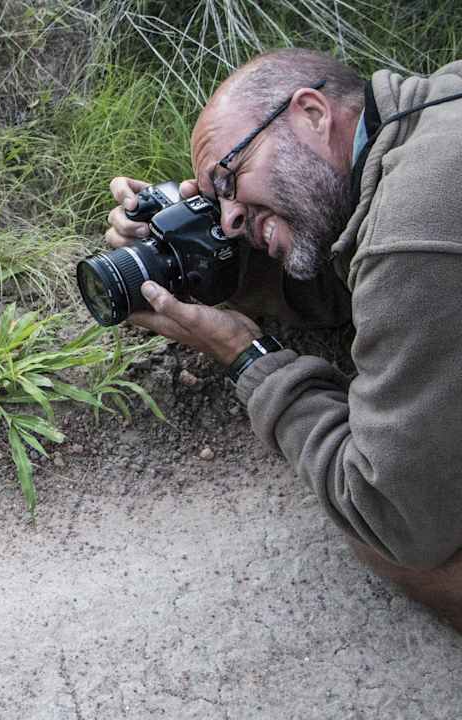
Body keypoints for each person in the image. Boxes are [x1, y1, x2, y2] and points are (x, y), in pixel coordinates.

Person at [105, 48, 462, 630]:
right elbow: (362, 274)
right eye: (213, 202)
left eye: (229, 178)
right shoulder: (436, 106)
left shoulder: (414, 237)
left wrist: (248, 357)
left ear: (313, 114)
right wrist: (213, 262)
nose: (227, 220)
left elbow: (396, 518)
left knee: (391, 546)